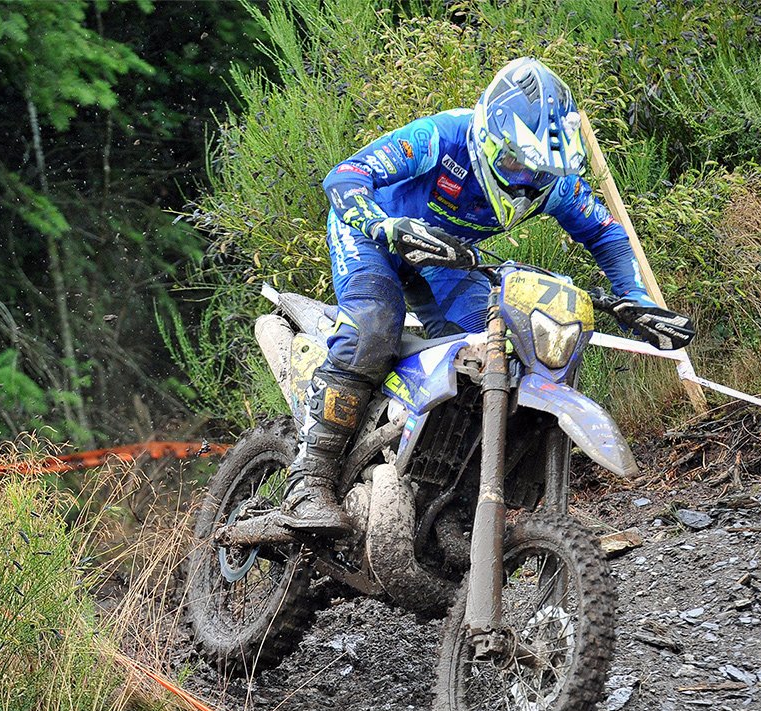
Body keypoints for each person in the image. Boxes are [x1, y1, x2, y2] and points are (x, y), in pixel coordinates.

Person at [277, 57, 676, 536]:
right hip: (371, 234)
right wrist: (382, 224)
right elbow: (344, 176)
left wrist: (634, 299)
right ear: (489, 138)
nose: (526, 180)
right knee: (373, 326)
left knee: (491, 355)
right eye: (515, 162)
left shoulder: (555, 184)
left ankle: (444, 496)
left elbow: (605, 233)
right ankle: (308, 481)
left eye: (539, 171)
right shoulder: (442, 137)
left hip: (446, 257)